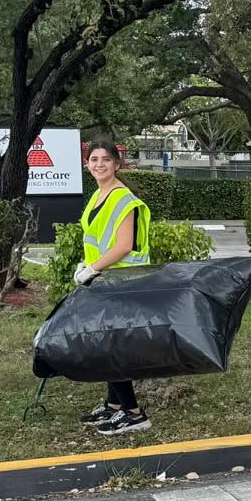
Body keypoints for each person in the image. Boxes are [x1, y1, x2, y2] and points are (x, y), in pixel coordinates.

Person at [75, 137, 153, 436]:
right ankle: (114, 405)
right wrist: (88, 266)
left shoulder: (123, 200)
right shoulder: (98, 195)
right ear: (87, 164)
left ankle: (134, 413)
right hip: (103, 279)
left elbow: (122, 246)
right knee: (106, 343)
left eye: (105, 159)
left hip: (122, 281)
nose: (99, 164)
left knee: (111, 347)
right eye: (93, 159)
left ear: (116, 163)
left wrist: (93, 268)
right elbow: (96, 239)